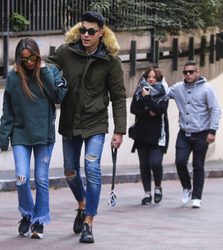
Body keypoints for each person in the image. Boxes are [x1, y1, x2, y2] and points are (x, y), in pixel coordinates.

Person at [47, 11, 127, 243]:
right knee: (70, 172)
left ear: (101, 33)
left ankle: (89, 222)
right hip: (70, 121)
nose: (86, 34)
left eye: (91, 31)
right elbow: (49, 65)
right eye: (83, 29)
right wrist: (48, 74)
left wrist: (119, 130)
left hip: (95, 123)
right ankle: (82, 205)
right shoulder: (67, 51)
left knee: (92, 167)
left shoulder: (111, 60)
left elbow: (119, 97)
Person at [0, 38, 68, 239]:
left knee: (41, 179)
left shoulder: (50, 72)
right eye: (24, 59)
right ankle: (27, 214)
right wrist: (3, 136)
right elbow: (8, 111)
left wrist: (44, 69)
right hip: (21, 134)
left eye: (32, 58)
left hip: (43, 136)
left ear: (38, 55)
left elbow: (57, 96)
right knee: (21, 179)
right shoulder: (13, 78)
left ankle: (39, 222)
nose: (29, 62)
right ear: (18, 60)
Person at [167, 60, 221, 208]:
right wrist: (151, 87)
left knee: (198, 166)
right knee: (180, 162)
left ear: (198, 72)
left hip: (201, 134)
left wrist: (212, 131)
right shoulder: (178, 88)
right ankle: (186, 187)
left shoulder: (207, 89)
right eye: (185, 72)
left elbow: (215, 110)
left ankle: (197, 197)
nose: (188, 75)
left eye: (191, 72)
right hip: (184, 133)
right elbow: (164, 93)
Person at [129, 68, 169, 205]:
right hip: (142, 133)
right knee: (144, 164)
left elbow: (160, 110)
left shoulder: (164, 92)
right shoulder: (140, 89)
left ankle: (158, 187)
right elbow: (133, 109)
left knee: (155, 162)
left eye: (154, 77)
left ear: (159, 79)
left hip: (158, 134)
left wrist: (147, 98)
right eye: (148, 77)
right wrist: (147, 112)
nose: (151, 79)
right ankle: (147, 193)